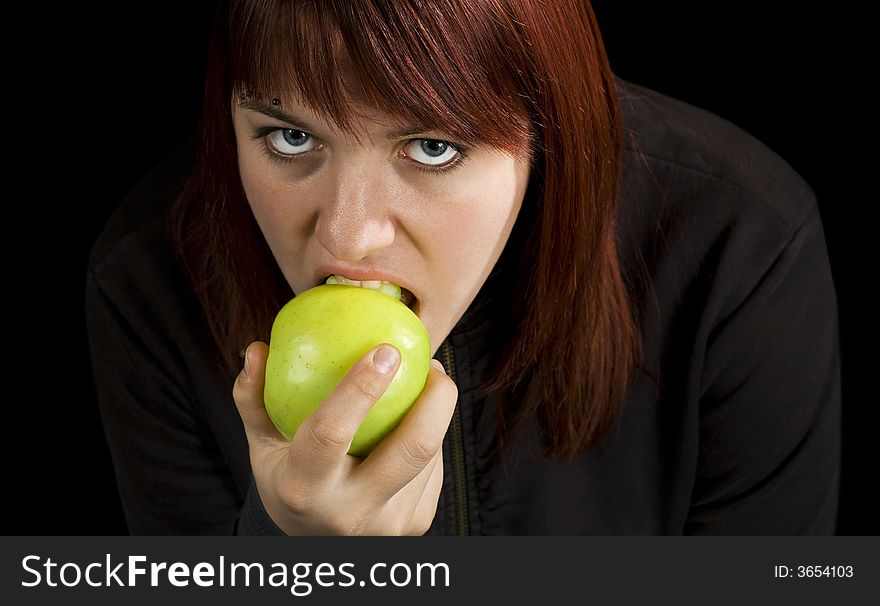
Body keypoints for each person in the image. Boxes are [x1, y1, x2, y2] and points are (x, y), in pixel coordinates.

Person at [86, 0, 841, 535]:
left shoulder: (742, 246)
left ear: (549, 130)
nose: (348, 232)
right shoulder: (150, 281)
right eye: (288, 136)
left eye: (432, 147)